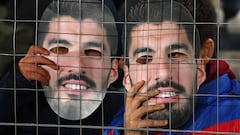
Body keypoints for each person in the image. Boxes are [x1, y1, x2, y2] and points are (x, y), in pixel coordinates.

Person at [104, 0, 240, 135]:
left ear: (203, 55)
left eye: (176, 54)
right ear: (126, 72)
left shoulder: (233, 120)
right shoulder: (123, 121)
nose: (163, 73)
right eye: (145, 58)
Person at [0, 0, 123, 134]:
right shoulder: (17, 99)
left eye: (93, 52)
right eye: (60, 49)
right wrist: (14, 85)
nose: (77, 66)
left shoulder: (126, 115)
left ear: (113, 70)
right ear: (38, 55)